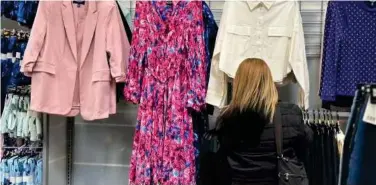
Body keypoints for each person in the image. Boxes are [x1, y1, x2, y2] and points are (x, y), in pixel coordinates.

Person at [212, 58, 313, 185]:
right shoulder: (290, 113)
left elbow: (224, 159)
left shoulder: (227, 118)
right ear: (269, 82)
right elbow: (305, 144)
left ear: (239, 84)